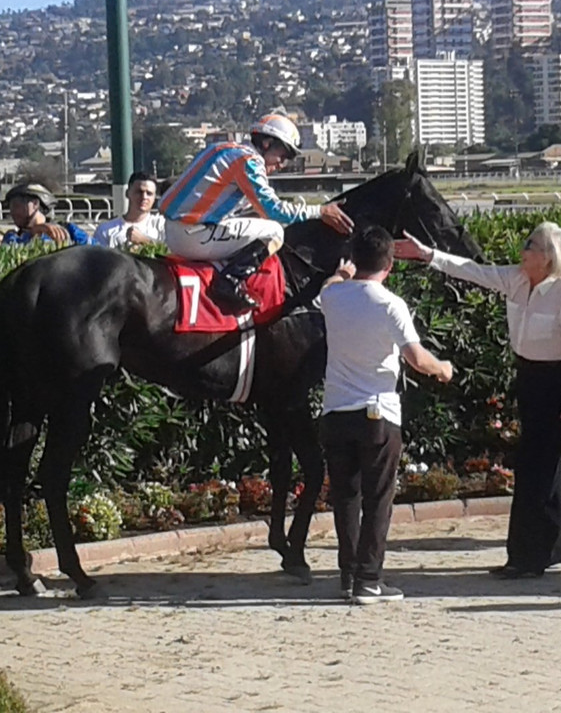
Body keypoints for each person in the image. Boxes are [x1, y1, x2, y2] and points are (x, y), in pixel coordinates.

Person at [396, 222, 561, 579]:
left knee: (536, 467)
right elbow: (473, 271)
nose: (523, 248)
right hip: (529, 378)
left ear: (547, 256)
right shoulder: (515, 279)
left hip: (556, 383)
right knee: (545, 465)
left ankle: (526, 557)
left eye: (530, 244)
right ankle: (553, 548)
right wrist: (428, 255)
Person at [320, 226, 453, 604]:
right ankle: (369, 579)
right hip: (377, 412)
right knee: (378, 498)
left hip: (335, 409)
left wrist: (342, 273)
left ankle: (348, 576)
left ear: (355, 259)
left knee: (346, 497)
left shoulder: (332, 296)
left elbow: (329, 284)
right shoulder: (390, 304)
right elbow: (416, 357)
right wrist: (442, 367)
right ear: (389, 266)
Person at [159, 112, 354, 314]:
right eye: (284, 155)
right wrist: (320, 211)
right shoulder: (249, 160)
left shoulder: (221, 148)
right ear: (267, 143)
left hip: (174, 232)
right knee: (274, 231)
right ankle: (230, 282)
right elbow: (275, 211)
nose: (282, 164)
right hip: (193, 236)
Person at [92, 171, 165, 250]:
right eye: (139, 192)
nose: (144, 197)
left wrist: (144, 240)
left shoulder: (162, 225)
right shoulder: (105, 230)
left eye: (149, 193)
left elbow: (174, 253)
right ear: (127, 193)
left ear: (154, 198)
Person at [0, 182, 88, 246]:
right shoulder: (13, 238)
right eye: (10, 207)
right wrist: (33, 233)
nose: (13, 212)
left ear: (35, 204)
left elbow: (95, 252)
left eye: (16, 205)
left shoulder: (69, 230)